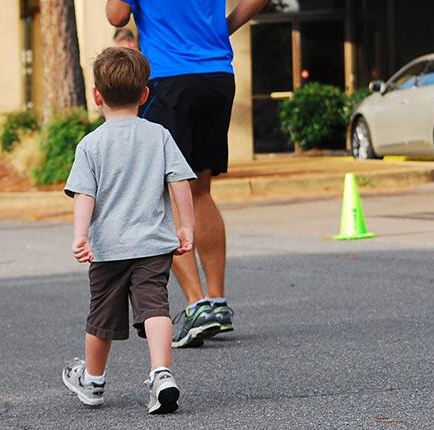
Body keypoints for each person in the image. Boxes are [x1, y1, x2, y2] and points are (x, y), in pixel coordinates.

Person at [106, 0, 269, 348]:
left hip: (168, 78)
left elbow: (117, 16)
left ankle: (197, 305)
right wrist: (219, 29)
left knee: (164, 193)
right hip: (216, 76)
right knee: (200, 190)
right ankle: (217, 301)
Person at [61, 47, 196, 414]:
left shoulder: (91, 144)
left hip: (108, 249)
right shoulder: (159, 136)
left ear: (96, 96)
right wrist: (185, 227)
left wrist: (81, 235)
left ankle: (93, 380)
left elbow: (84, 195)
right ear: (144, 95)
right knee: (155, 307)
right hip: (153, 244)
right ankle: (162, 373)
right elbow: (180, 183)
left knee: (101, 317)